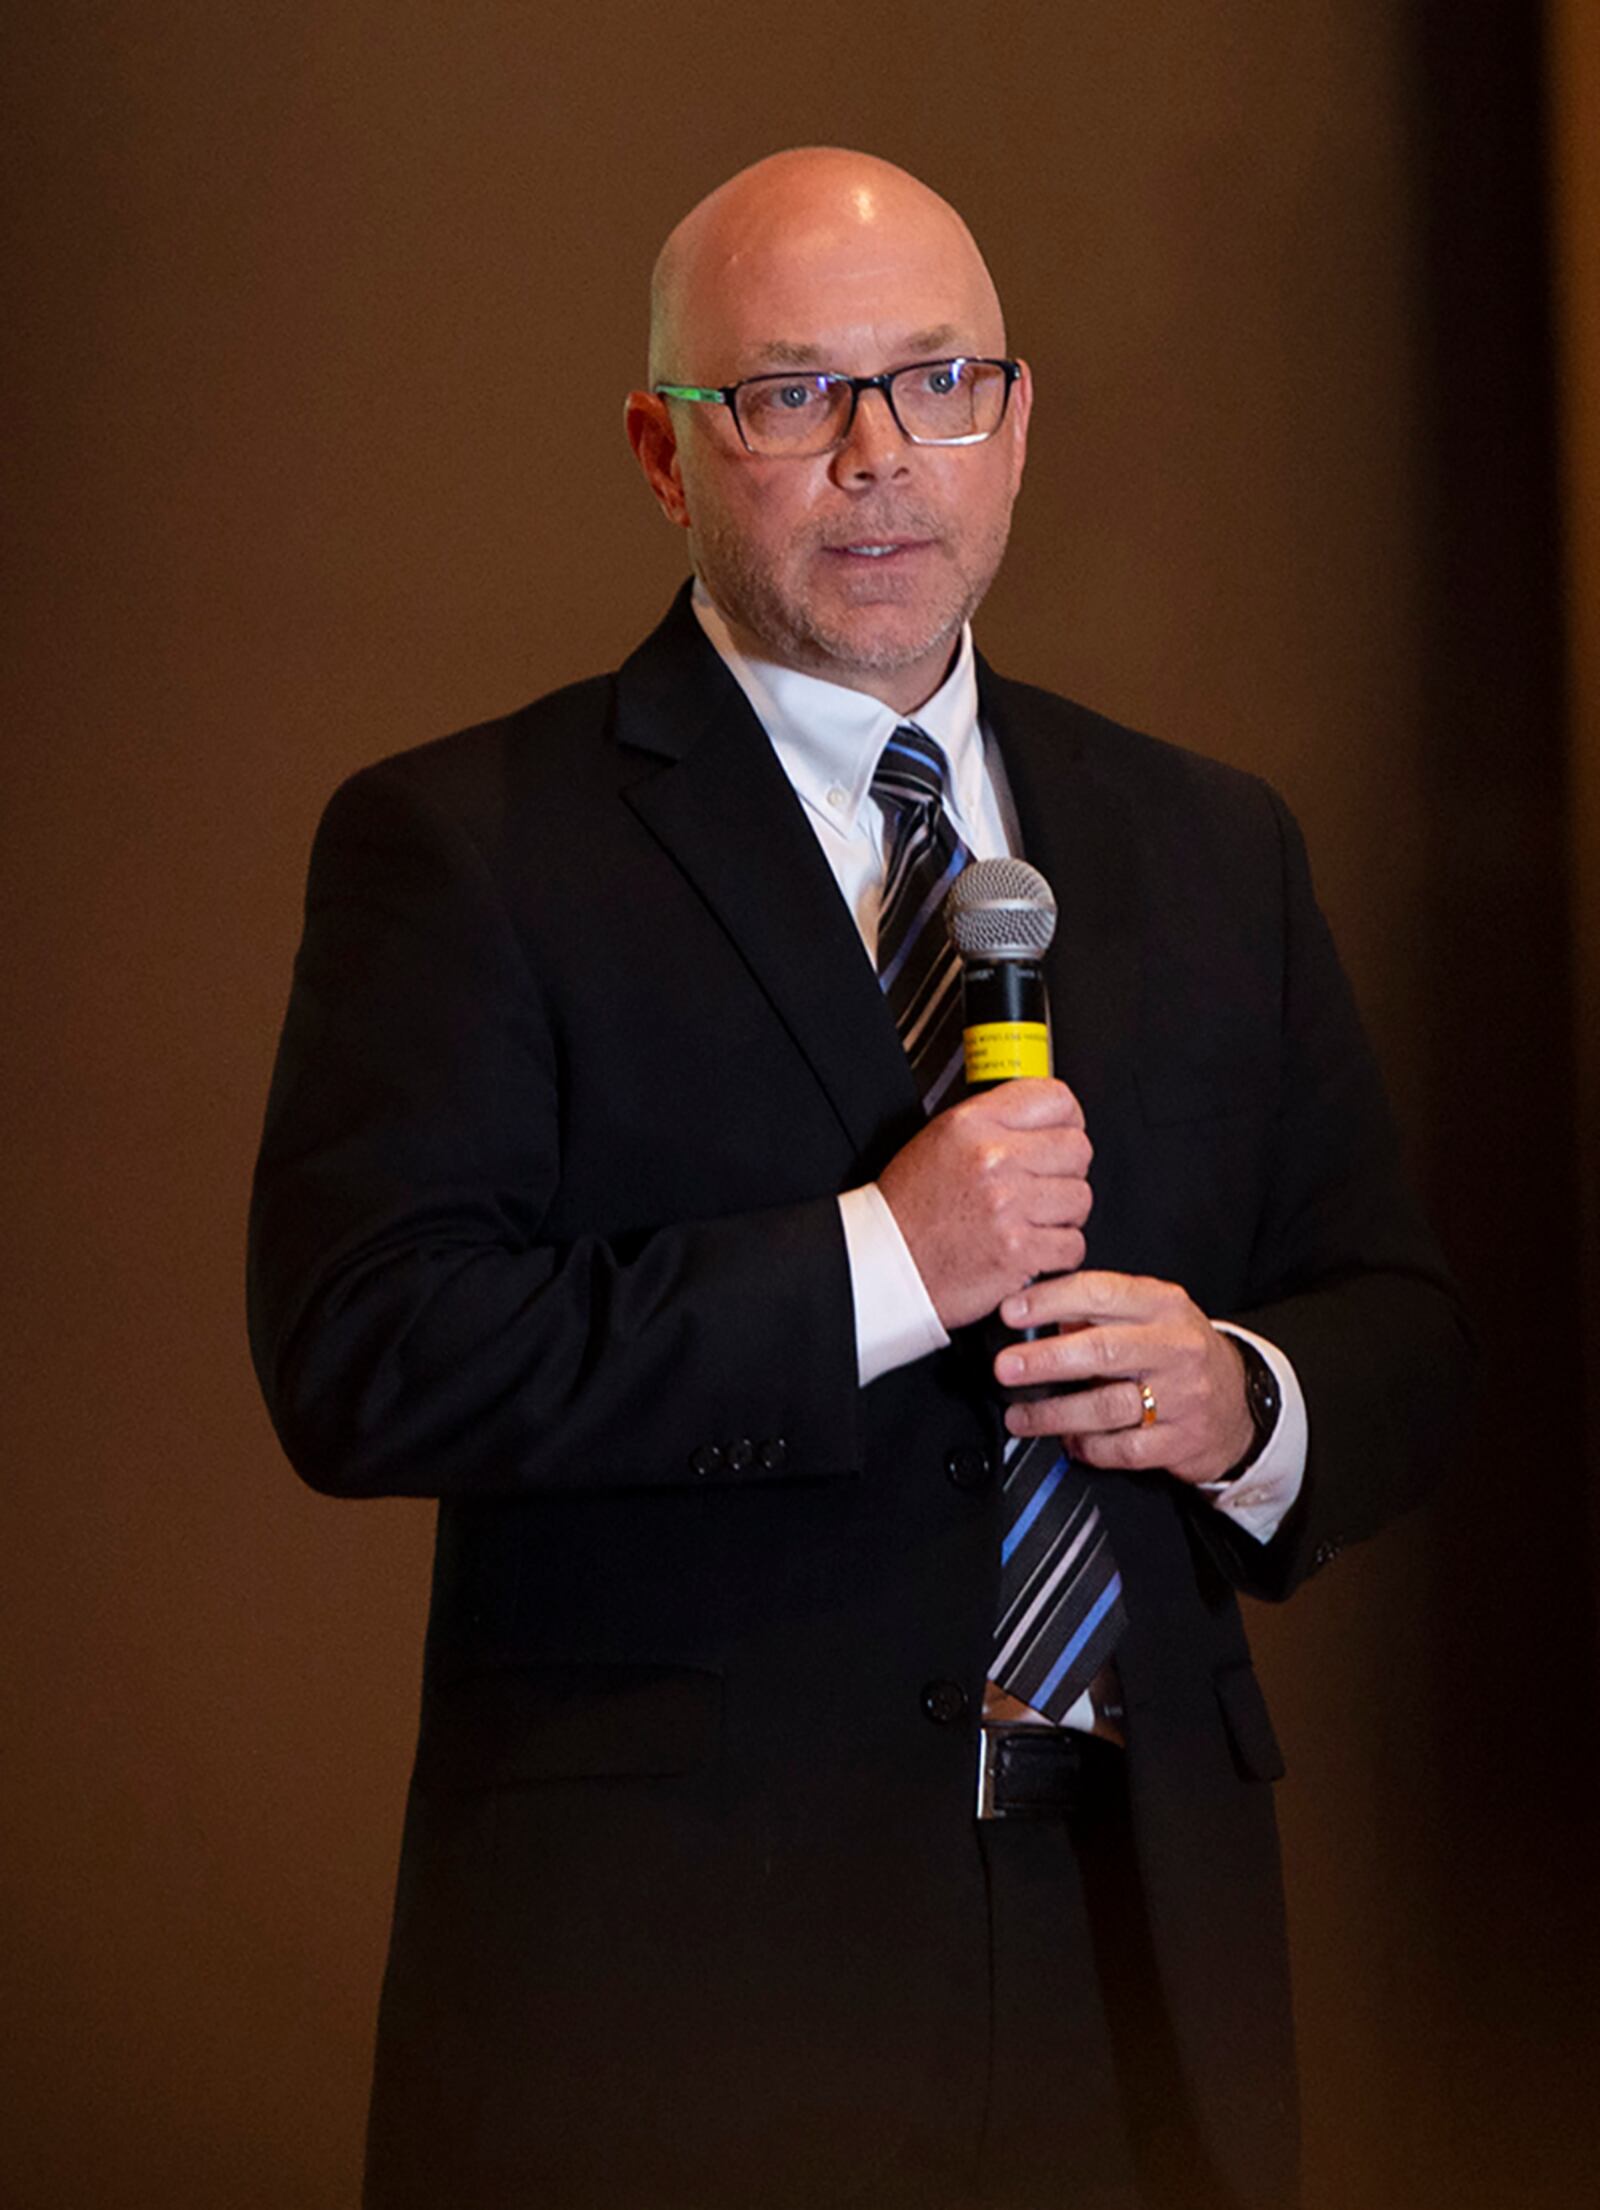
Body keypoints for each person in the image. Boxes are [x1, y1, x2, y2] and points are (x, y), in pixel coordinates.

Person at [248, 148, 1470, 2210]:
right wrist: (879, 1264)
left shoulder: (1203, 841)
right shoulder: (469, 843)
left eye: (938, 385)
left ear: (1017, 421)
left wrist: (1242, 1397)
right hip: (679, 1980)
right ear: (663, 449)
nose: (879, 458)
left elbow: (1400, 1331)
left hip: (1134, 1938)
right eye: (791, 396)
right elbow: (363, 1352)